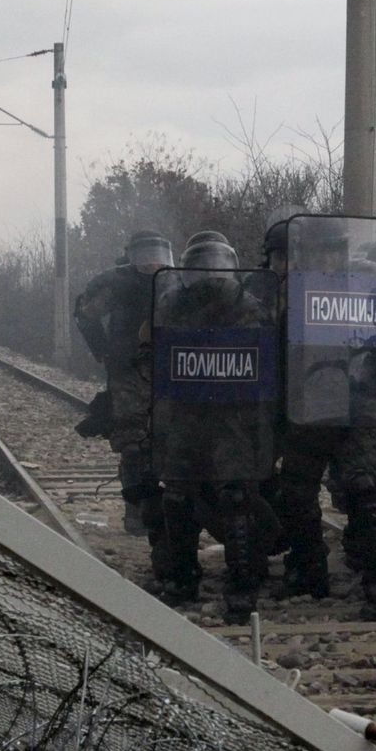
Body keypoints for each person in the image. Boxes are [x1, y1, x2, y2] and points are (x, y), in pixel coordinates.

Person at [270, 215, 376, 619]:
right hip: (306, 409)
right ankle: (310, 568)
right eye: (319, 250)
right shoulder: (285, 291)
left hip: (358, 408)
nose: (326, 257)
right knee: (296, 493)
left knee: (364, 493)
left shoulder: (369, 284)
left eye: (332, 250)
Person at [147, 232, 276, 622]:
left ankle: (241, 580)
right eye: (203, 267)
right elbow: (152, 353)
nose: (211, 276)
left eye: (217, 267)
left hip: (233, 418)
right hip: (186, 414)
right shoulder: (170, 305)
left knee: (236, 496)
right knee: (179, 495)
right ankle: (183, 576)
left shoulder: (250, 307)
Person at [74, 229, 173, 536]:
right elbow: (87, 313)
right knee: (132, 442)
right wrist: (103, 350)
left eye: (157, 257)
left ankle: (169, 509)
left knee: (172, 438)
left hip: (171, 368)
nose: (152, 264)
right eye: (146, 257)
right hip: (128, 369)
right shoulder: (118, 283)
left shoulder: (175, 280)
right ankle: (136, 511)